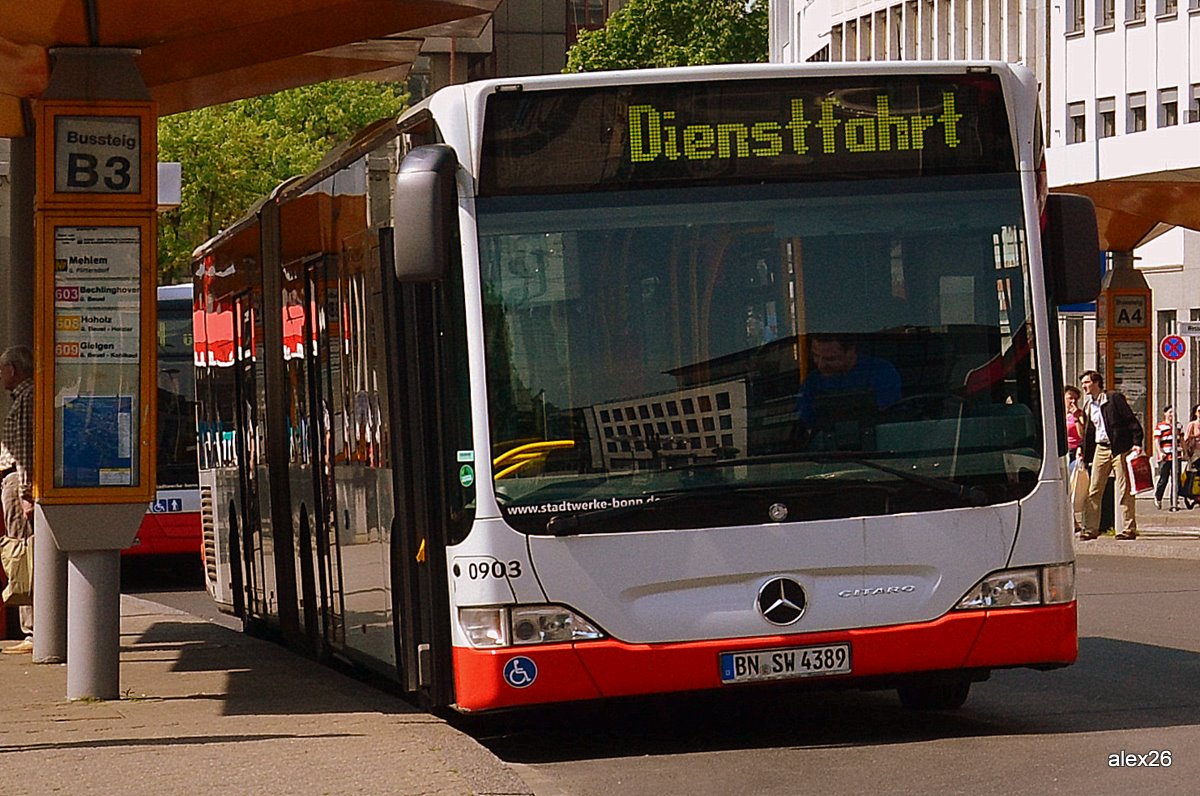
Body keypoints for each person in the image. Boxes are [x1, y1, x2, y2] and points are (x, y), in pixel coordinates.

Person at [1077, 369, 1144, 540]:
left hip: (1120, 447)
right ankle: (1091, 528)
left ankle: (1129, 528)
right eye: (1083, 383)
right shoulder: (1088, 405)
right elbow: (1089, 432)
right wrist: (1083, 450)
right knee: (1094, 489)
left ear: (1096, 382)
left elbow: (1131, 420)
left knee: (1124, 489)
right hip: (1101, 448)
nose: (1084, 386)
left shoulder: (1113, 399)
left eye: (1086, 382)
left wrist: (1137, 443)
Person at [0, 346, 34, 653]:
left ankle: (33, 629)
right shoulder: (26, 397)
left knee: (22, 554)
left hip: (16, 481)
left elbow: (23, 450)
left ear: (13, 370)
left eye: (2, 370)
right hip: (15, 481)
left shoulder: (26, 399)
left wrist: (25, 493)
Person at [795, 334, 902, 429]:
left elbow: (885, 414)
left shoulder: (881, 371)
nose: (821, 365)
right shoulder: (812, 381)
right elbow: (804, 419)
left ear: (851, 351)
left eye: (830, 359)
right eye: (816, 356)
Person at [1153, 405, 1180, 510]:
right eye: (1170, 412)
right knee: (1163, 478)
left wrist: (1185, 452)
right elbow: (1157, 441)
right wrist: (1160, 452)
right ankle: (1158, 497)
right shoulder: (1160, 426)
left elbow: (1181, 440)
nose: (1172, 415)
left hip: (1176, 455)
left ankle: (1174, 500)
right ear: (1165, 413)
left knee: (1176, 479)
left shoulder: (1178, 426)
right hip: (1165, 456)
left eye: (1174, 412)